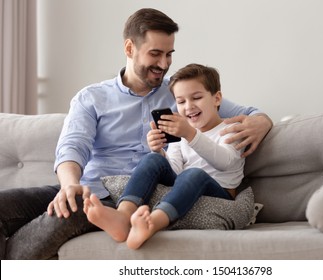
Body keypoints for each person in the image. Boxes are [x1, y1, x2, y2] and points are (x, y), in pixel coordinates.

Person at [0, 8, 272, 260]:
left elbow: (246, 111)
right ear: (130, 48)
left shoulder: (181, 94)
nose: (164, 63)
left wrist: (261, 122)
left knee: (68, 213)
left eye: (169, 54)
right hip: (85, 187)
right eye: (155, 54)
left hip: (116, 198)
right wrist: (70, 184)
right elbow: (73, 146)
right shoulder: (92, 97)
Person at [84, 63, 246, 249]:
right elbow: (175, 170)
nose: (189, 106)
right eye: (181, 101)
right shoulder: (184, 133)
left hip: (220, 193)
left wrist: (190, 135)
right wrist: (159, 150)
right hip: (185, 185)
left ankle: (152, 223)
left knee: (193, 173)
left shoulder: (231, 130)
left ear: (216, 98)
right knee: (153, 159)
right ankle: (123, 215)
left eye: (197, 97)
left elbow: (225, 162)